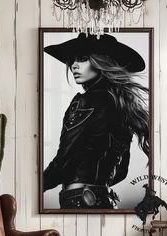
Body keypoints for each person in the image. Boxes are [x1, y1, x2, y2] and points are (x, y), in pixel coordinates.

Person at [43, 33, 149, 209]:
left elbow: (63, 163)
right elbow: (121, 171)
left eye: (83, 59)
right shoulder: (122, 105)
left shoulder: (87, 102)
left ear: (101, 62)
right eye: (72, 61)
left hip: (78, 200)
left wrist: (35, 186)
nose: (74, 66)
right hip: (105, 200)